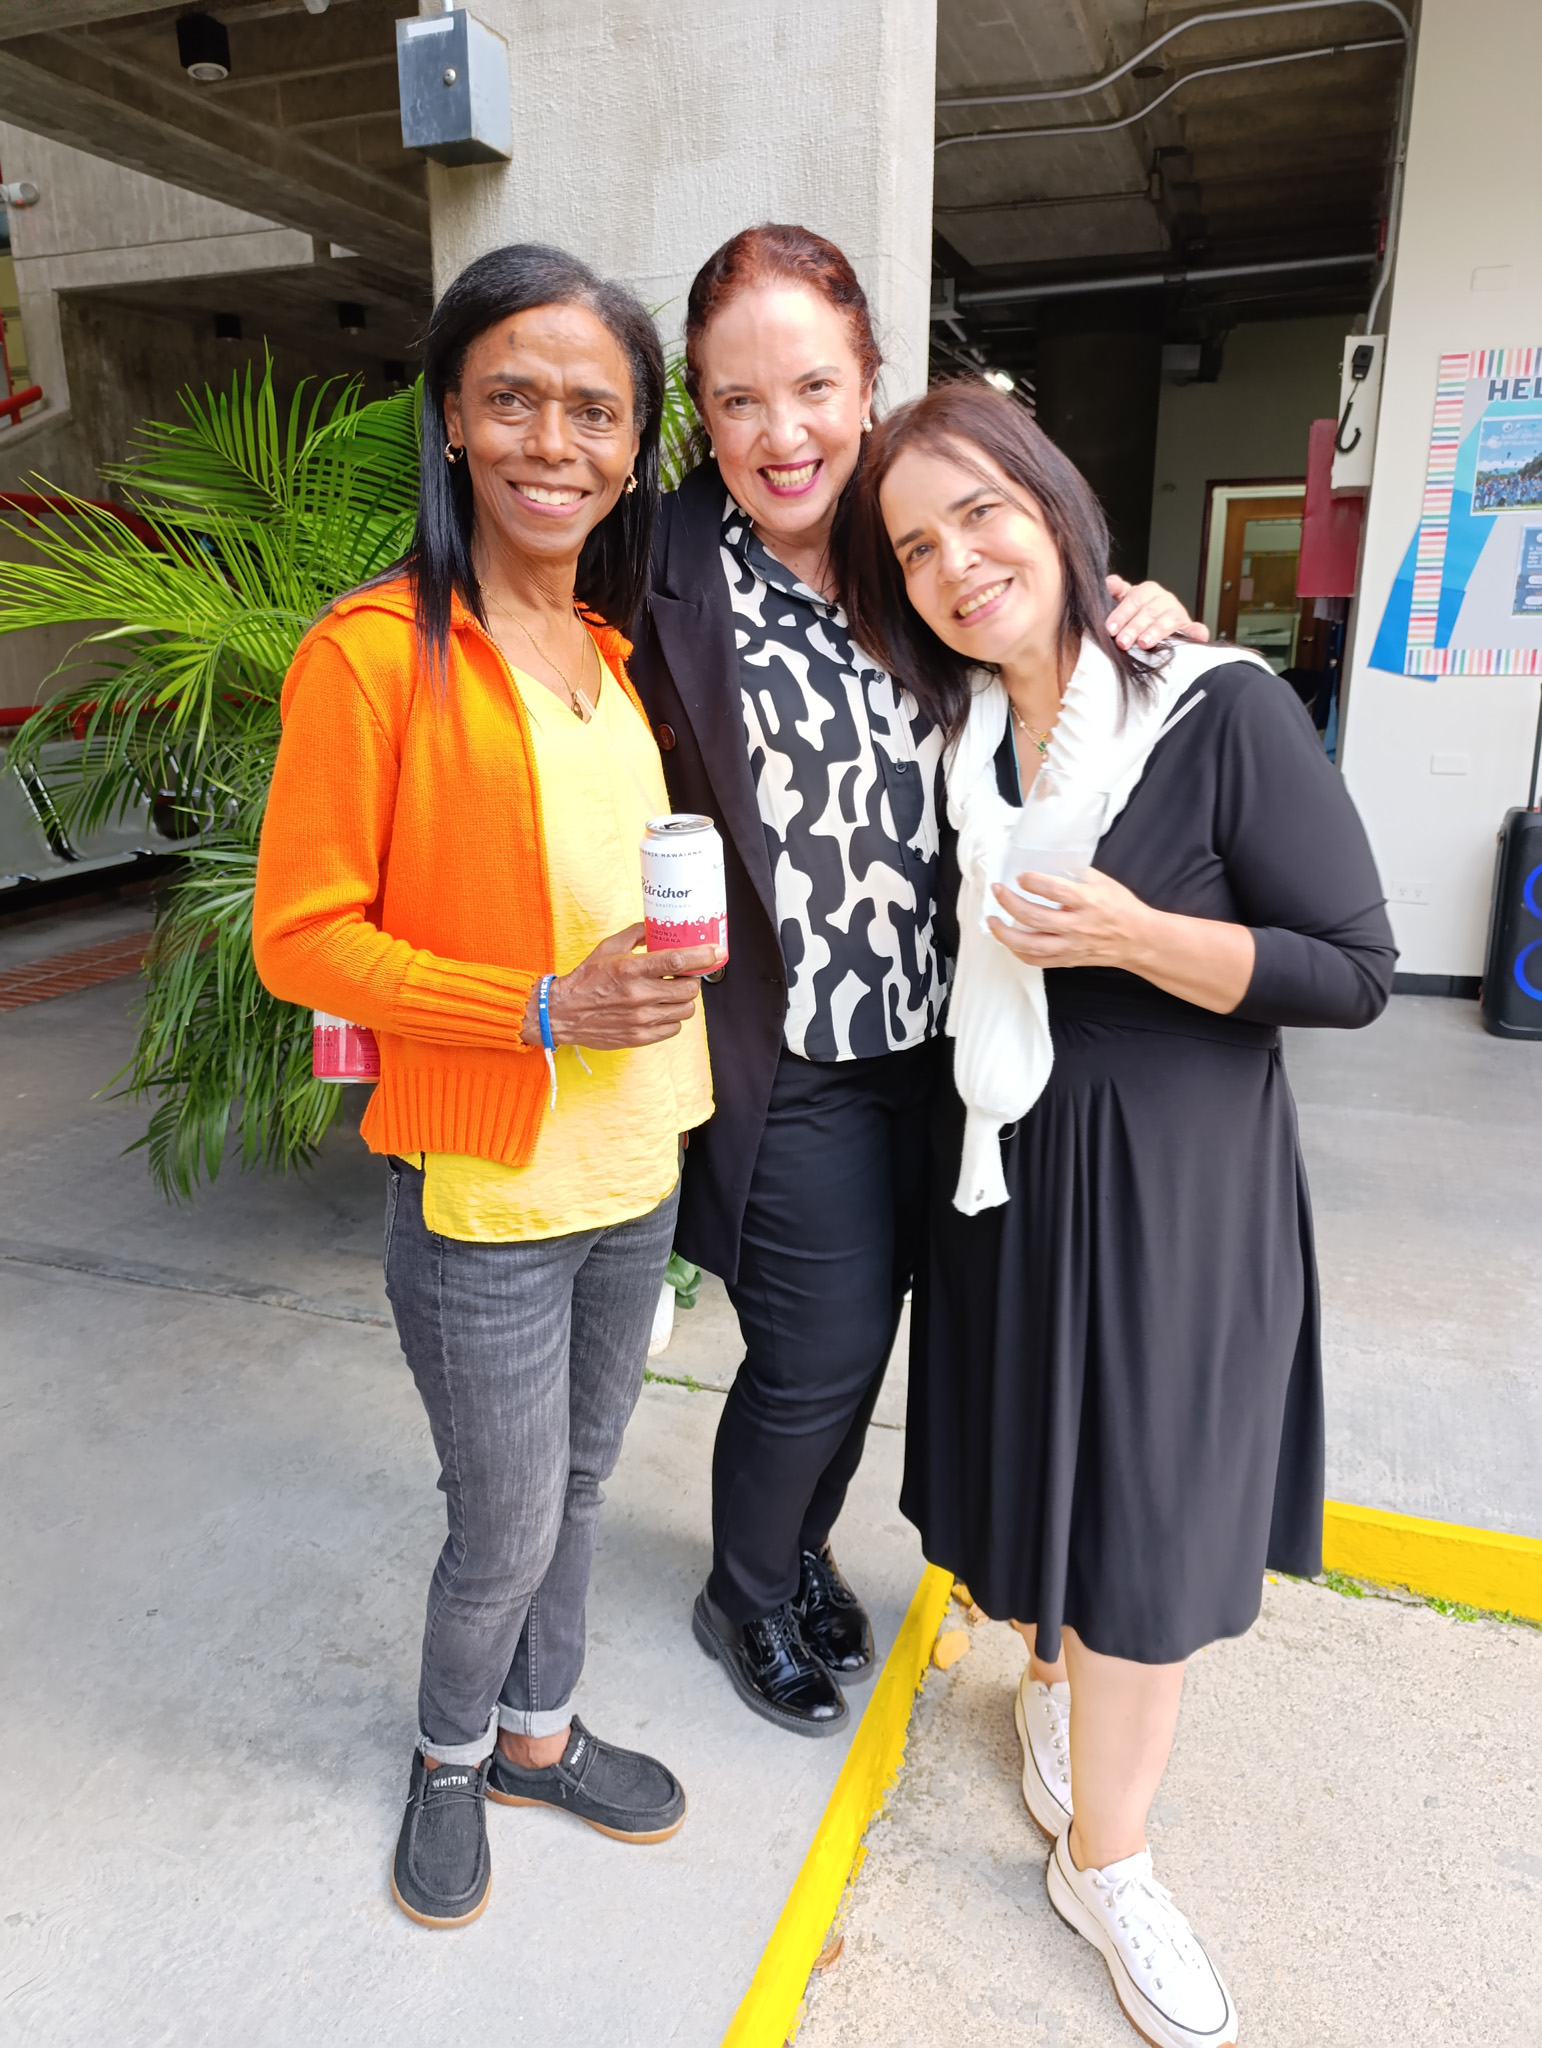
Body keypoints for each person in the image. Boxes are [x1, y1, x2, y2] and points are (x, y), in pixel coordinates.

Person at [845, 380, 1395, 2048]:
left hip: (1170, 1196)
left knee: (1143, 1517)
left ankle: (1111, 1863)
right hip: (1005, 1177)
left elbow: (1352, 970)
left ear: (1054, 508)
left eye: (981, 514)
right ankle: (1049, 1688)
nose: (956, 562)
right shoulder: (955, 734)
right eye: (915, 546)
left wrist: (1134, 935)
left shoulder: (1214, 707)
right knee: (1038, 1480)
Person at [629, 222, 1207, 1736]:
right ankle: (741, 1591)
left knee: (872, 1337)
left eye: (813, 388)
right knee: (813, 1350)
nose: (782, 433)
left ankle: (796, 1550)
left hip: (946, 1043)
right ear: (701, 412)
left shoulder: (918, 541)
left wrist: (1131, 609)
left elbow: (1045, 635)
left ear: (868, 379)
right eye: (738, 400)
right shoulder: (654, 564)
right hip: (787, 1055)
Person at [253, 245, 722, 1930]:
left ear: (635, 446)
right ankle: (449, 1755)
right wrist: (534, 1005)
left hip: (635, 1161)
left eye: (594, 410)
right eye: (512, 397)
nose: (552, 441)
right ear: (450, 417)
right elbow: (301, 938)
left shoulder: (603, 649)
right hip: (484, 1190)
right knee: (503, 1518)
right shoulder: (375, 653)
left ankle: (539, 1735)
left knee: (582, 1487)